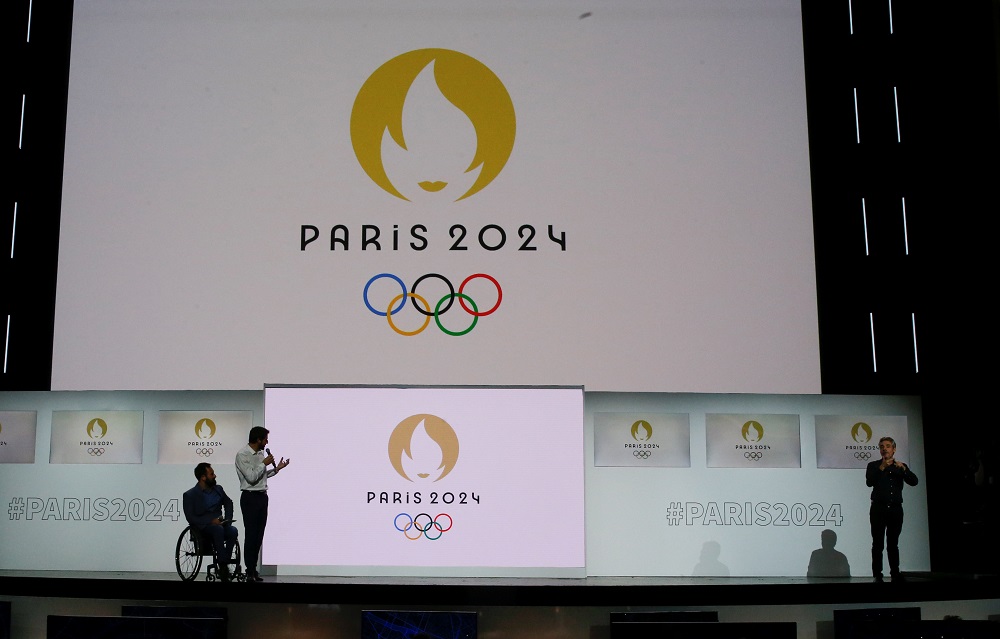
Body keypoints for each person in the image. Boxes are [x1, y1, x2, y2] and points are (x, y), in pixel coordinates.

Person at [235, 426, 289, 582]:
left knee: (259, 536)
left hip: (262, 497)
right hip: (250, 498)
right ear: (258, 439)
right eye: (265, 439)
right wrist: (264, 463)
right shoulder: (242, 455)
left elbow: (261, 477)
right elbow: (251, 477)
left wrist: (277, 469)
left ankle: (253, 570)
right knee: (251, 534)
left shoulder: (259, 454)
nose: (267, 442)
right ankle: (249, 570)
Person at [866, 436, 918, 582]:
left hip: (895, 510)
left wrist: (904, 470)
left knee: (893, 542)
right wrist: (881, 468)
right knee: (877, 543)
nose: (884, 449)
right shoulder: (873, 465)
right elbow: (869, 482)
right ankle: (877, 574)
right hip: (878, 509)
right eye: (882, 446)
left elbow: (914, 482)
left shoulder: (900, 466)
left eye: (888, 446)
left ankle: (895, 572)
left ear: (894, 449)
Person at [182, 462, 238, 582]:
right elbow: (190, 517)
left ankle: (224, 561)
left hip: (221, 525)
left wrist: (227, 520)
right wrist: (210, 521)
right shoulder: (190, 495)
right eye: (212, 474)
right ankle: (223, 566)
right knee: (217, 529)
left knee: (233, 530)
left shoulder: (218, 489)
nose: (215, 476)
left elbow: (228, 503)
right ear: (203, 477)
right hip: (203, 528)